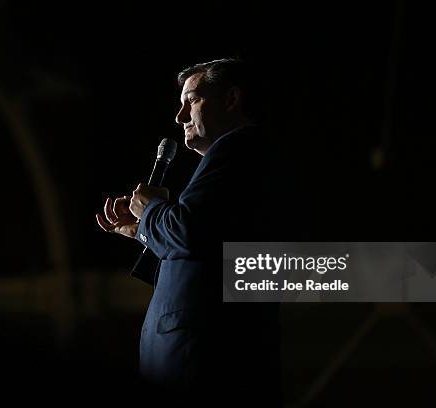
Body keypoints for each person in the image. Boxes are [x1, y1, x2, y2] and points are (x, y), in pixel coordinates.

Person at [96, 58, 297, 403]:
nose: (180, 117)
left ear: (231, 100)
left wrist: (152, 211)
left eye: (192, 100)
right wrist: (140, 228)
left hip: (204, 367)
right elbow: (203, 247)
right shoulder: (239, 159)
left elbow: (192, 232)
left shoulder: (239, 149)